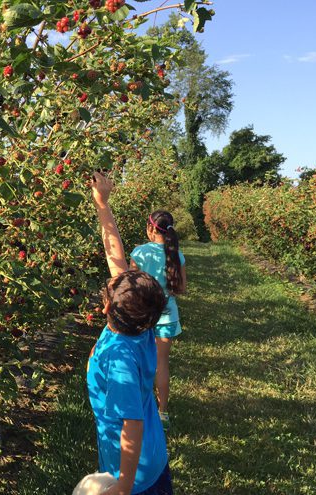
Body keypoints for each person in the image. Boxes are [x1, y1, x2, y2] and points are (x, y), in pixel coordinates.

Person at [86, 172, 173, 495]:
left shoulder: (120, 355)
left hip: (136, 477)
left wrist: (123, 485)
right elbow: (115, 256)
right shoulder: (140, 325)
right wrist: (102, 205)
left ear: (109, 308)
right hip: (152, 458)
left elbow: (131, 425)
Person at [129, 211, 186, 430]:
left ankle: (140, 408)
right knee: (161, 364)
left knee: (140, 362)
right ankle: (162, 413)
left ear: (151, 229)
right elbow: (181, 288)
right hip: (167, 315)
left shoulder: (140, 253)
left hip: (142, 314)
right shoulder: (176, 255)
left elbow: (131, 286)